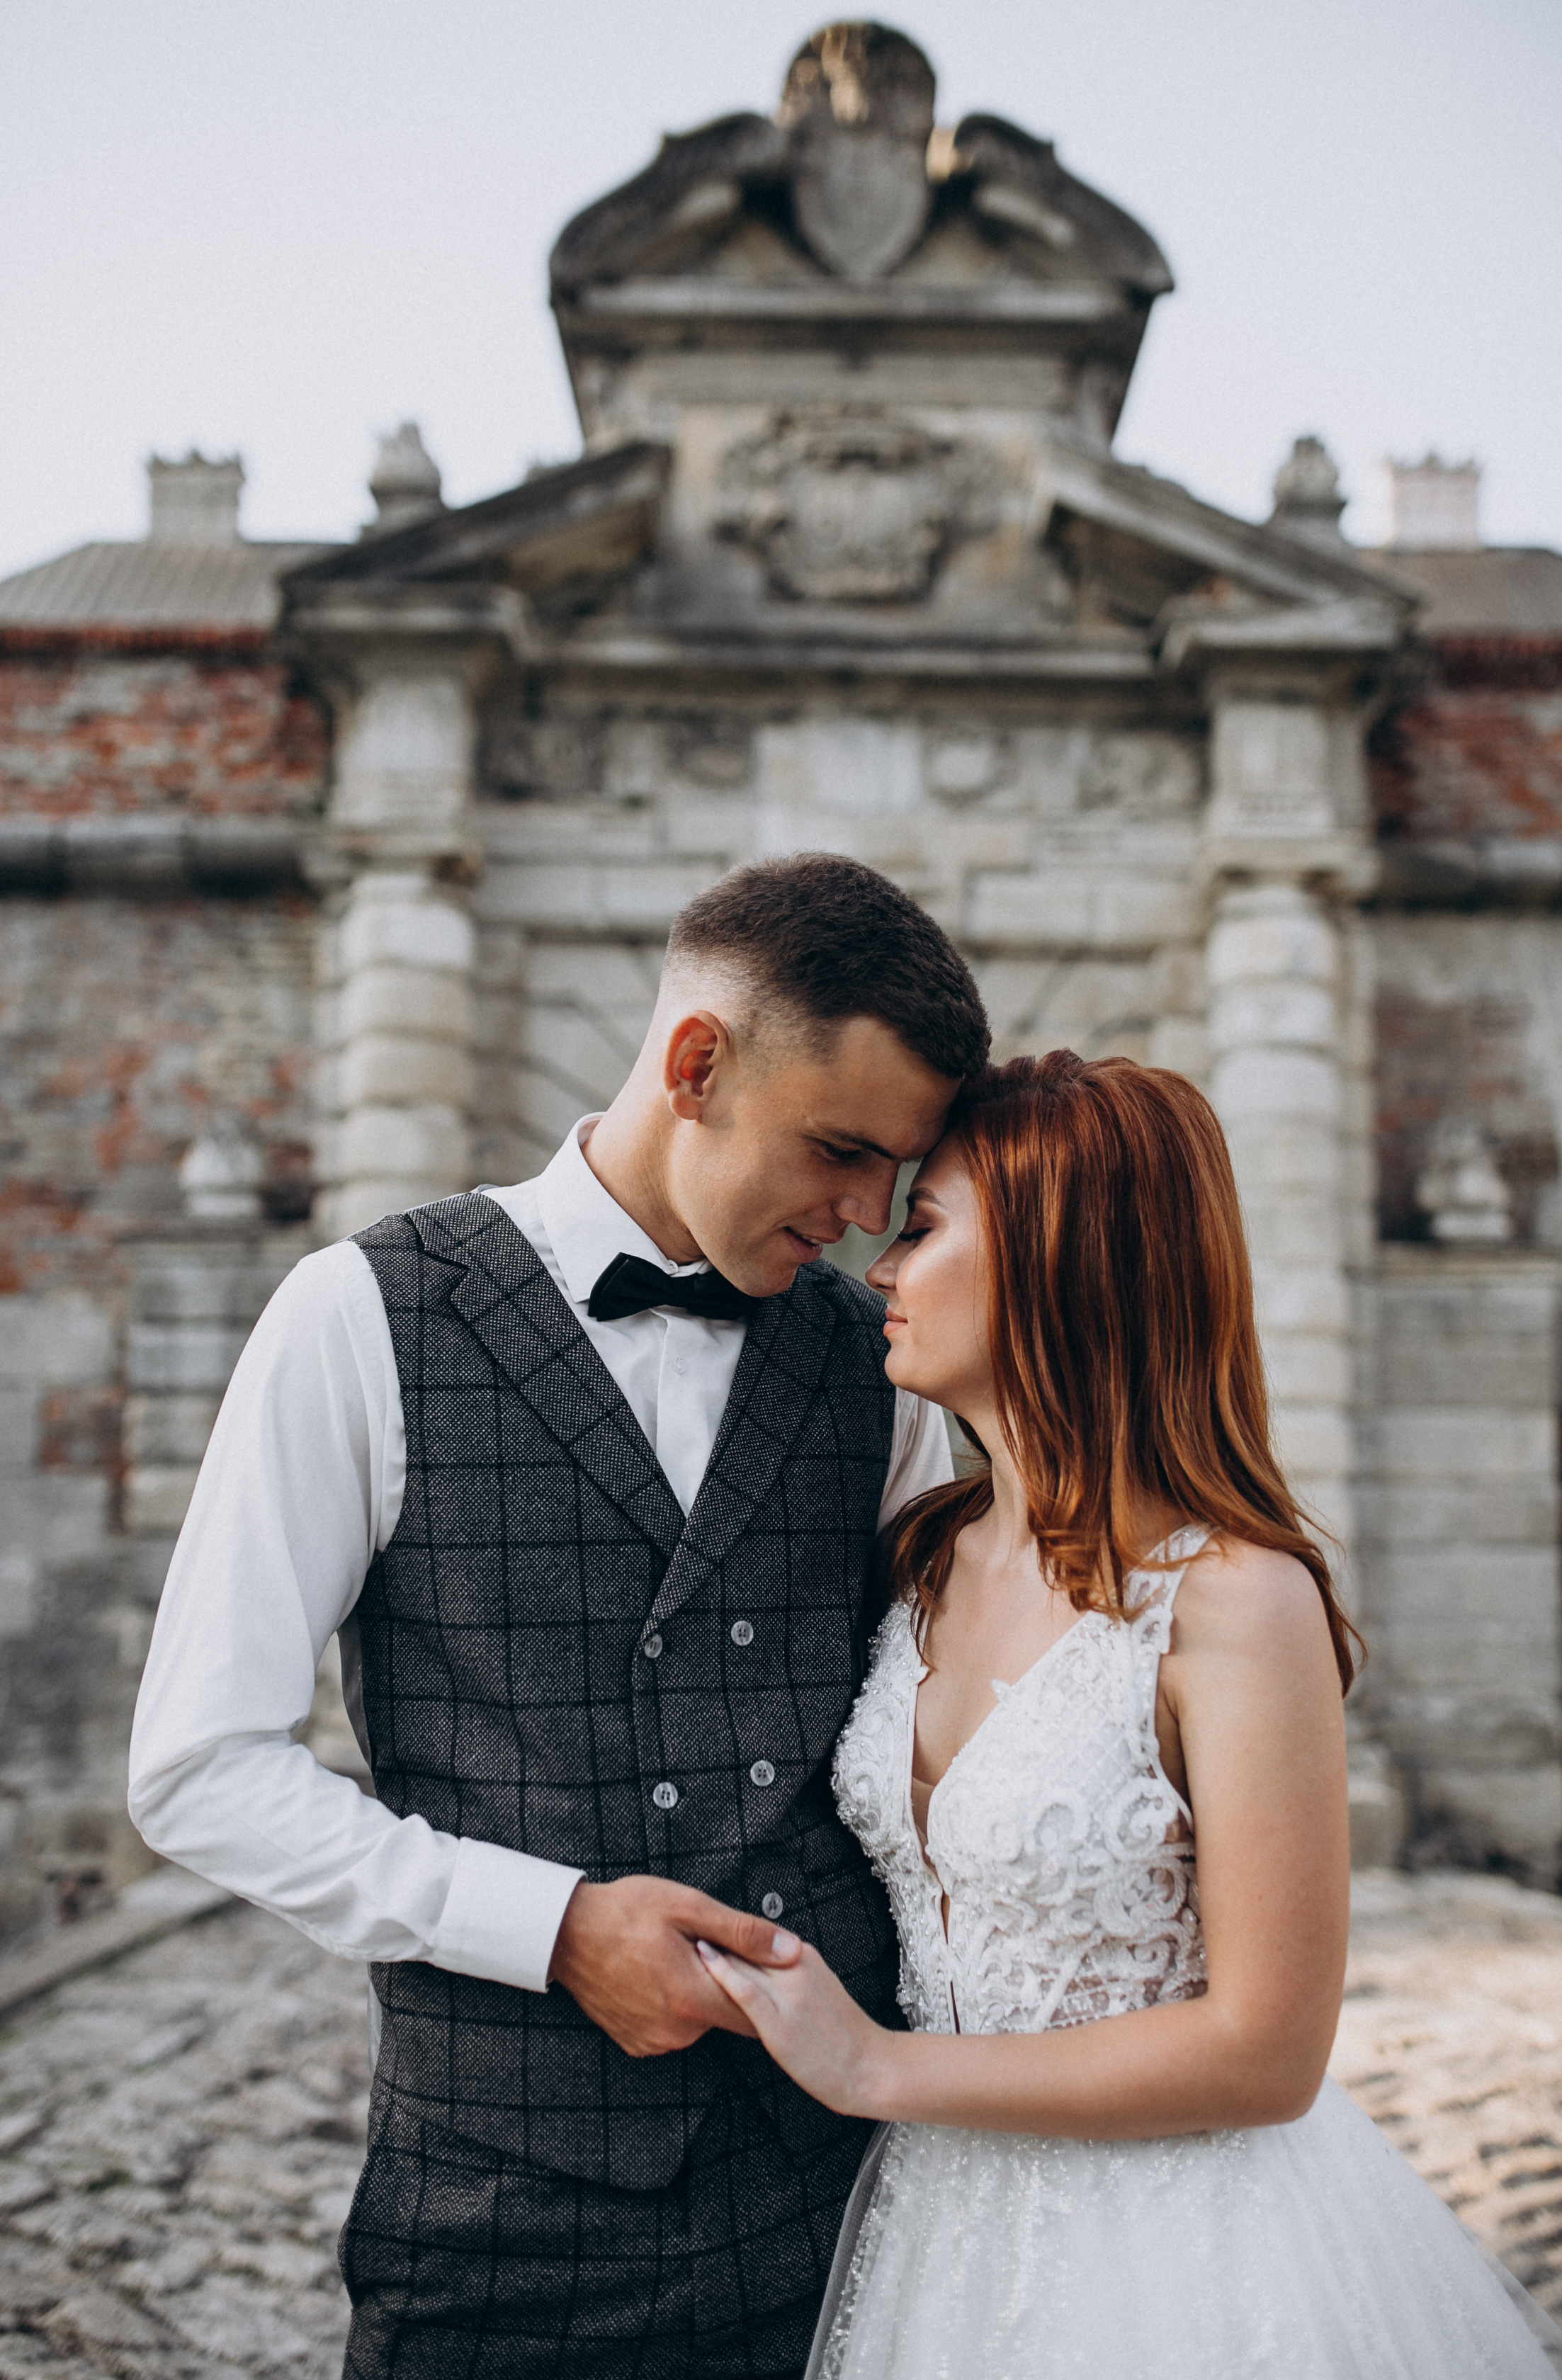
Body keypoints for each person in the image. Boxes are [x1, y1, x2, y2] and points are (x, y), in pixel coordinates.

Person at [128, 851, 992, 2380]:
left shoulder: (887, 1367)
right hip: (495, 2222)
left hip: (847, 2211)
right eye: (841, 1150)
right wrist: (549, 1929)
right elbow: (199, 1765)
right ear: (697, 1063)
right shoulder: (355, 1315)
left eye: (896, 1177)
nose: (867, 1217)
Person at [698, 1050, 1562, 2380]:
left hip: (1181, 2256)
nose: (877, 1268)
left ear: (1061, 1260)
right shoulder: (922, 1556)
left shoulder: (1234, 1601)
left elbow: (1268, 2052)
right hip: (938, 2233)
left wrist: (877, 2069)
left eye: (924, 1229)